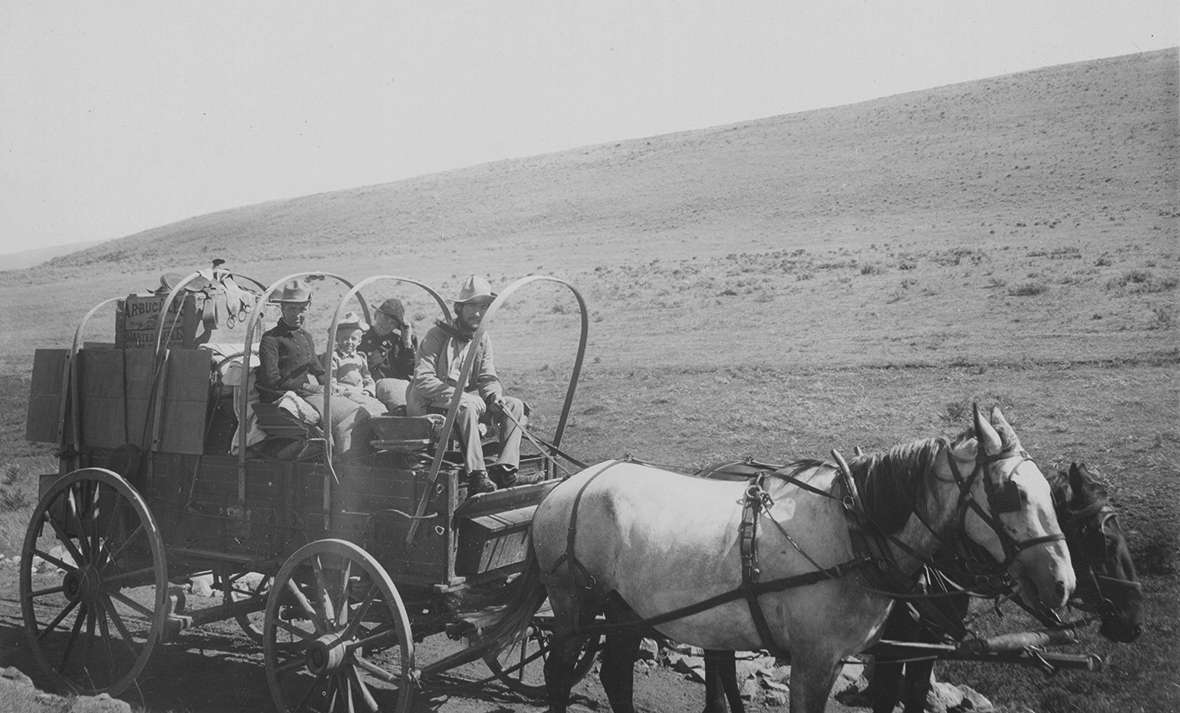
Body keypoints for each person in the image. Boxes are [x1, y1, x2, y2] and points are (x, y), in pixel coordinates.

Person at [407, 275, 526, 495]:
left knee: (514, 406)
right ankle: (477, 475)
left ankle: (506, 470)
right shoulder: (437, 336)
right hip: (432, 404)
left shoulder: (482, 338)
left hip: (469, 404)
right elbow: (423, 380)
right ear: (459, 308)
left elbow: (487, 376)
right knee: (467, 406)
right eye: (471, 306)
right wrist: (461, 396)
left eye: (483, 307)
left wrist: (493, 397)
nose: (477, 313)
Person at [256, 281, 368, 455]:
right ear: (283, 308)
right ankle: (344, 460)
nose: (298, 314)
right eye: (292, 309)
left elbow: (317, 369)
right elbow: (272, 380)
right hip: (284, 395)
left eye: (302, 309)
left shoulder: (305, 336)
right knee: (349, 413)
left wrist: (330, 385)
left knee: (361, 403)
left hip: (306, 393)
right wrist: (310, 387)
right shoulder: (271, 339)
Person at [359, 297, 417, 412]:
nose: (387, 324)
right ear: (376, 315)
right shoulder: (359, 337)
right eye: (385, 318)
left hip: (393, 393)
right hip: (365, 391)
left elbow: (410, 372)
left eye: (393, 323)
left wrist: (407, 342)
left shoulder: (400, 343)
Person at [326, 312, 388, 419]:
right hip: (344, 394)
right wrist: (343, 391)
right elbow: (331, 381)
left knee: (380, 407)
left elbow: (367, 378)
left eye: (353, 339)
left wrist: (368, 391)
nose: (349, 342)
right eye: (345, 338)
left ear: (359, 341)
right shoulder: (335, 357)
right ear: (337, 340)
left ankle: (385, 428)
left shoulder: (360, 357)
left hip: (361, 393)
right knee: (365, 410)